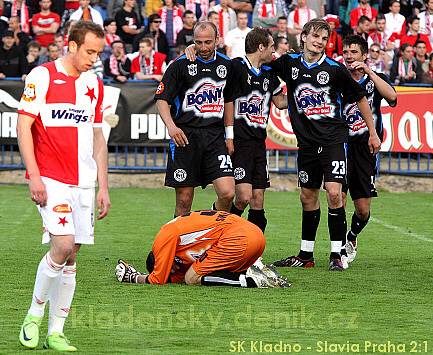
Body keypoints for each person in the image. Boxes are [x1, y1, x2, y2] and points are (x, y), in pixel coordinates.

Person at [17, 21, 110, 352]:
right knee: (62, 244)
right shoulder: (41, 76)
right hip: (52, 178)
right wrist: (34, 174)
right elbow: (23, 126)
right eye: (89, 51)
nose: (93, 59)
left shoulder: (94, 84)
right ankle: (33, 315)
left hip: (84, 183)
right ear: (71, 45)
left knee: (72, 256)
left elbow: (98, 136)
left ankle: (56, 331)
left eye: (98, 53)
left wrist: (103, 185)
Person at [269, 19, 381, 271]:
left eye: (324, 38)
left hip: (333, 139)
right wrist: (278, 97)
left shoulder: (335, 69)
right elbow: (263, 65)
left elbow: (361, 98)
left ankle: (336, 255)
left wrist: (372, 132)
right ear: (304, 37)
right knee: (307, 196)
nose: (319, 42)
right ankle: (305, 255)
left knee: (333, 193)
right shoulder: (289, 64)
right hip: (306, 143)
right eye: (315, 36)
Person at [155, 21, 235, 217]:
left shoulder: (227, 65)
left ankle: (211, 233)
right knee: (184, 200)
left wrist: (230, 136)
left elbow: (228, 101)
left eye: (208, 42)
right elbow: (161, 100)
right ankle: (174, 244)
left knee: (227, 193)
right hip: (185, 136)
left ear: (217, 40)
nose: (203, 47)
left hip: (215, 137)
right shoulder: (180, 65)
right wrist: (172, 127)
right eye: (198, 42)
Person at [115, 210, 288, 288]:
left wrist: (133, 277)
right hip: (254, 235)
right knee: (206, 272)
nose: (176, 270)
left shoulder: (163, 238)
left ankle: (252, 281)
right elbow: (174, 277)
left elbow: (157, 280)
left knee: (192, 278)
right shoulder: (176, 234)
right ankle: (258, 271)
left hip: (238, 239)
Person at [340, 35, 397, 267]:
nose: (349, 56)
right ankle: (338, 250)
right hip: (341, 146)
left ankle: (352, 237)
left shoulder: (375, 79)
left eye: (354, 52)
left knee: (362, 210)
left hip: (366, 148)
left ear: (364, 55)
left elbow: (393, 97)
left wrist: (369, 73)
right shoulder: (338, 78)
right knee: (337, 198)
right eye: (346, 52)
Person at [225, 28, 286, 233]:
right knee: (243, 197)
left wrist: (302, 90)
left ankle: (253, 253)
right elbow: (228, 100)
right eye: (271, 47)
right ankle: (222, 233)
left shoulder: (269, 73)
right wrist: (229, 136)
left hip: (259, 143)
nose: (273, 52)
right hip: (240, 142)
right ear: (261, 47)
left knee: (258, 199)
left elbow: (280, 102)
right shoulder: (236, 66)